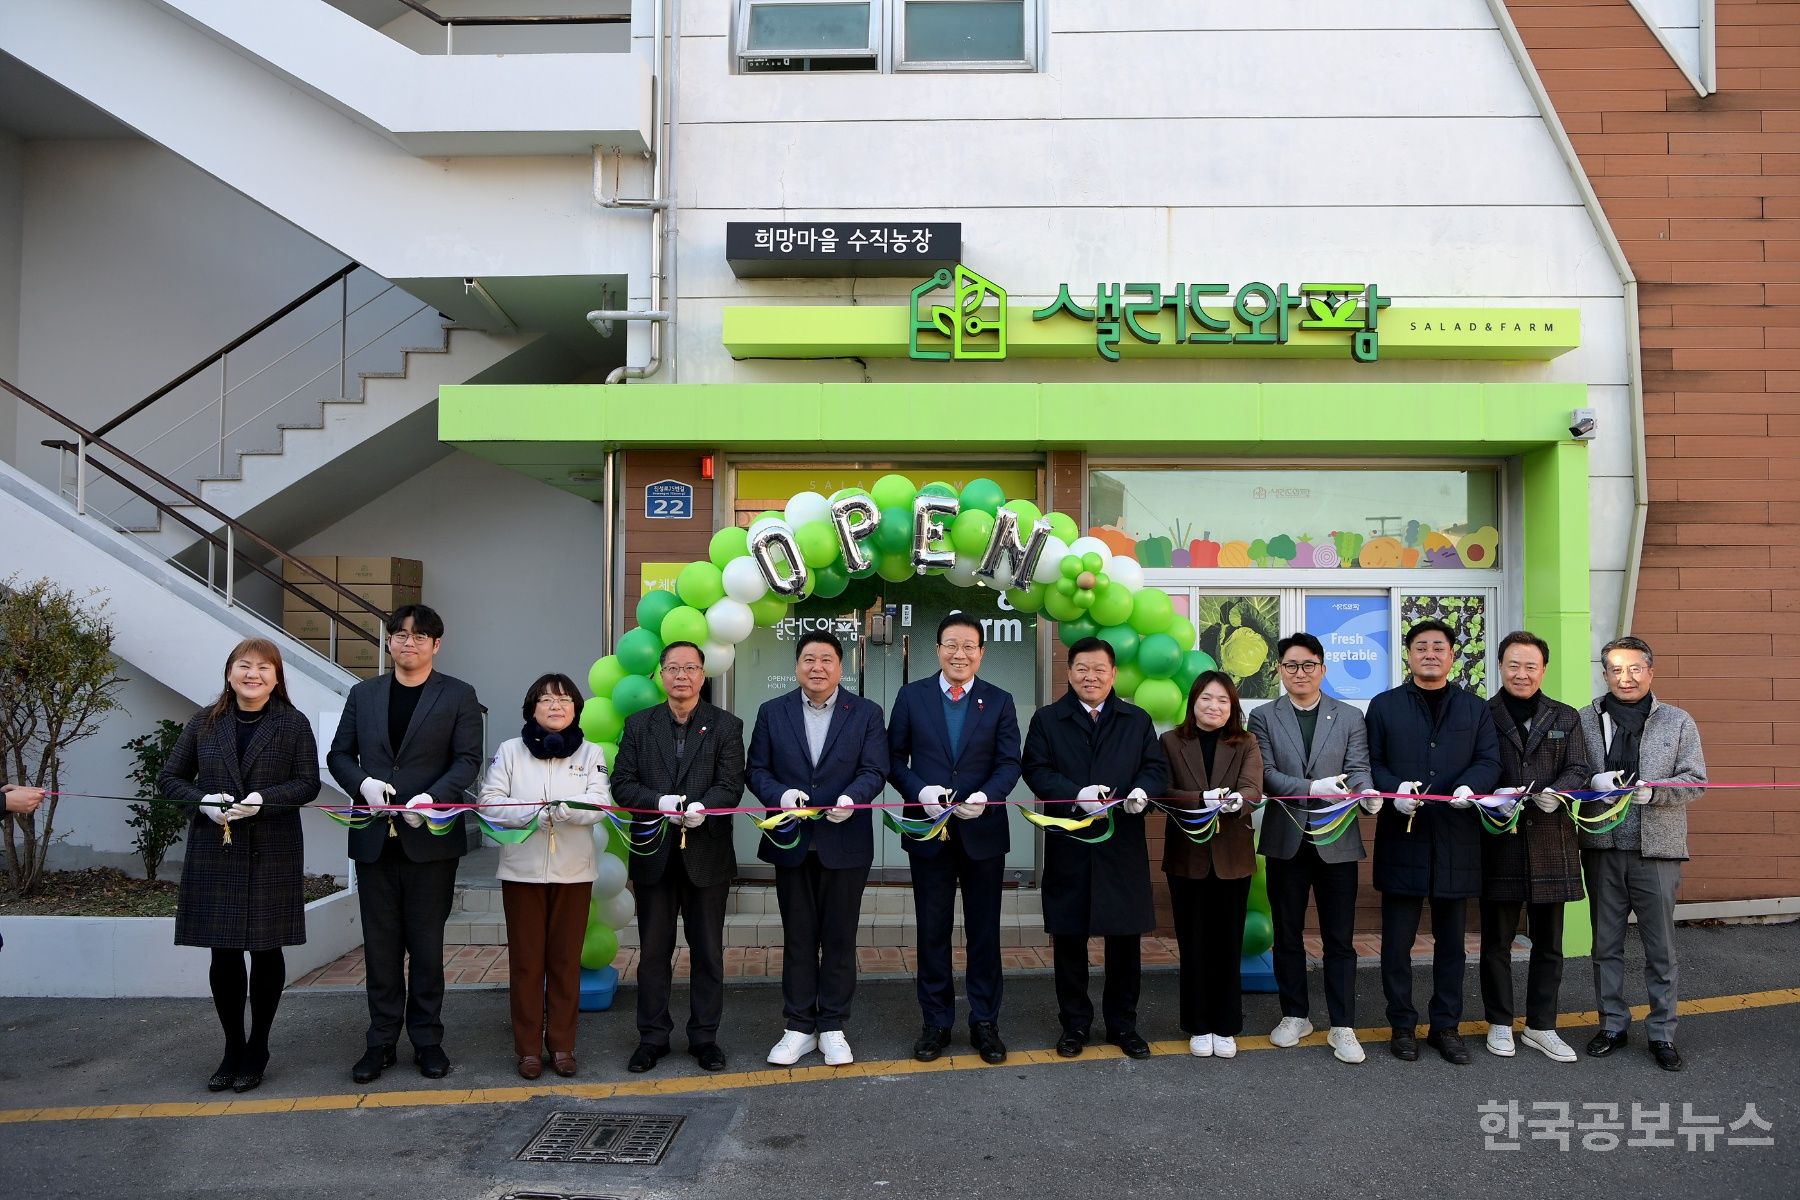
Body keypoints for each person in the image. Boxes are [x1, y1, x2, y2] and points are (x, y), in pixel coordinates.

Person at [328, 604, 483, 1083]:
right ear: (388, 641)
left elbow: (467, 760)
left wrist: (432, 798)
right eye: (398, 635)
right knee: (379, 946)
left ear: (436, 644)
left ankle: (428, 1041)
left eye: (418, 636)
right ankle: (380, 1042)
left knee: (427, 946)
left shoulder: (458, 695)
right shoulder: (364, 693)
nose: (407, 643)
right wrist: (363, 785)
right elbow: (338, 754)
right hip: (375, 839)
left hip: (429, 839)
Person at [157, 637, 321, 1093]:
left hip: (272, 847)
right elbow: (169, 779)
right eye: (244, 666)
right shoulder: (203, 724)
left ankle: (259, 1046)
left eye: (263, 668)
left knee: (267, 950)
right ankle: (232, 1047)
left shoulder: (292, 724)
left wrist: (264, 800)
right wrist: (203, 802)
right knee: (224, 953)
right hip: (217, 849)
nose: (253, 674)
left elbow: (307, 783)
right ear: (229, 673)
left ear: (276, 676)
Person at [746, 629, 888, 1068]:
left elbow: (875, 768)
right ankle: (798, 1026)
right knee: (799, 937)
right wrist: (780, 796)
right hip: (792, 841)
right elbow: (757, 769)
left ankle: (833, 1026)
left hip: (844, 842)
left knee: (840, 937)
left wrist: (854, 797)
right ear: (797, 666)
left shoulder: (865, 712)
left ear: (840, 667)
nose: (817, 667)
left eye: (826, 659)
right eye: (809, 659)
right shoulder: (773, 711)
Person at [1022, 636, 1169, 1060]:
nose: (1091, 676)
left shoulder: (1135, 719)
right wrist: (1075, 795)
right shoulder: (1049, 720)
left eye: (1100, 669)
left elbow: (1155, 767)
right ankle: (1075, 1025)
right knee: (1069, 940)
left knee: (1125, 941)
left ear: (1113, 674)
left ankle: (1124, 1024)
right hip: (1070, 843)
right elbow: (1035, 769)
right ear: (1069, 673)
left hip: (1121, 843)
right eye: (1082, 669)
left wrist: (1143, 790)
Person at [887, 612, 1022, 1064]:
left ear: (982, 652)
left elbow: (1010, 763)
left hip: (983, 831)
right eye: (951, 644)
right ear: (938, 649)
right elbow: (893, 758)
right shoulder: (912, 696)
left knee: (985, 932)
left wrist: (987, 795)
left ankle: (985, 1021)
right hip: (928, 831)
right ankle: (936, 1022)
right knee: (932, 930)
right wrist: (919, 792)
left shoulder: (1000, 700)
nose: (959, 654)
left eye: (968, 646)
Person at [1367, 619, 1501, 1066]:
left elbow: (1489, 759)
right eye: (1420, 646)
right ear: (1408, 655)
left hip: (1456, 838)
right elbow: (1372, 763)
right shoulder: (1384, 706)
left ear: (1452, 656)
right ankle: (1401, 1025)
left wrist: (1471, 787)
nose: (1429, 653)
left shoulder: (1475, 708)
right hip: (1402, 837)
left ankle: (1446, 1026)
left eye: (1438, 647)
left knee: (1451, 944)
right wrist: (1393, 792)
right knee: (1396, 944)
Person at [612, 640, 745, 1075]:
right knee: (653, 951)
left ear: (703, 675)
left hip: (706, 854)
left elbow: (731, 785)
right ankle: (652, 1037)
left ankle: (705, 1037)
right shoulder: (638, 726)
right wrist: (659, 802)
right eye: (672, 668)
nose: (681, 676)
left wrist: (704, 808)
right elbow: (623, 785)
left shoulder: (726, 725)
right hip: (654, 853)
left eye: (690, 668)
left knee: (708, 951)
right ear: (661, 675)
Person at [1247, 632, 1377, 1065]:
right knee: (1287, 935)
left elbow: (1358, 767)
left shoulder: (1349, 715)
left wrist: (1367, 793)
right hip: (1287, 839)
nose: (1299, 673)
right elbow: (1264, 774)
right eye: (1290, 666)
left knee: (1339, 938)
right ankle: (1294, 1014)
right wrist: (1310, 788)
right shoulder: (1263, 716)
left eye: (1307, 665)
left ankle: (1343, 1025)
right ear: (1279, 670)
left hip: (1337, 838)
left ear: (1322, 668)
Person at [1578, 635, 1707, 1072]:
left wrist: (1656, 794)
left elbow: (1696, 780)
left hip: (1657, 849)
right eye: (1615, 669)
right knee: (1605, 944)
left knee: (1660, 947)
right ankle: (1612, 1024)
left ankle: (1661, 1032)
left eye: (1634, 668)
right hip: (1602, 846)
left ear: (1650, 671)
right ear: (1605, 674)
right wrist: (1591, 783)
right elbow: (1573, 773)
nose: (1625, 677)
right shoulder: (1586, 719)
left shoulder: (1677, 721)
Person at [478, 673, 610, 1080]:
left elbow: (601, 802)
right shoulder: (510, 751)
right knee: (526, 963)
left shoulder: (591, 752)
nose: (556, 706)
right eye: (547, 700)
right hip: (522, 871)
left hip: (574, 872)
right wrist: (531, 810)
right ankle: (528, 1048)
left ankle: (563, 1046)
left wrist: (568, 808)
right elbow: (489, 801)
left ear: (576, 709)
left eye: (565, 700)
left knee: (566, 961)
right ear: (531, 708)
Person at [1479, 631, 1593, 1064]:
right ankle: (1500, 1023)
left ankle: (1542, 1026)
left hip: (1551, 839)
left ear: (1543, 670)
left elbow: (1579, 766)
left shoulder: (1565, 715)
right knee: (1497, 941)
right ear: (1500, 666)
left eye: (1530, 666)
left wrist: (1560, 792)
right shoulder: (1482, 714)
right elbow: (1477, 764)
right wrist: (1494, 795)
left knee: (1549, 943)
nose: (1521, 673)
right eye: (1513, 664)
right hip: (1500, 838)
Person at [1159, 671, 1263, 1060]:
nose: (1214, 706)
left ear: (1232, 706)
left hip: (1232, 858)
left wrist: (1239, 801)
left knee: (1226, 944)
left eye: (1222, 700)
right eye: (1206, 698)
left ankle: (1227, 1024)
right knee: (1194, 943)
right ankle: (1198, 1025)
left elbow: (1253, 787)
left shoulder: (1246, 741)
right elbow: (1163, 791)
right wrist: (1199, 798)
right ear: (1193, 702)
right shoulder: (1171, 741)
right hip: (1187, 857)